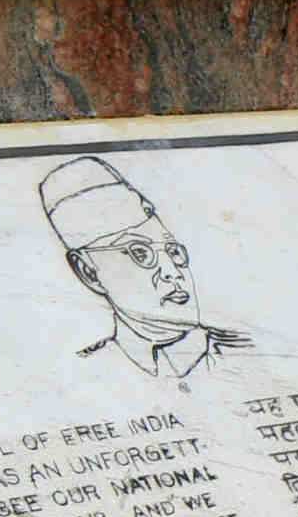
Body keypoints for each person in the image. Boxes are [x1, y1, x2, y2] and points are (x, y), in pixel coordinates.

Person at [41, 157, 247, 385]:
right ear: (88, 272)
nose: (173, 272)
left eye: (173, 252)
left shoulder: (250, 353)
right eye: (141, 254)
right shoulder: (77, 375)